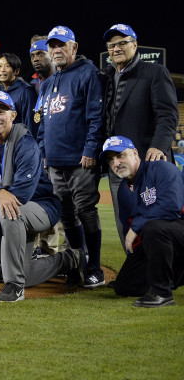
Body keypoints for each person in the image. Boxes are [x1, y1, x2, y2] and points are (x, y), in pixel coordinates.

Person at [0, 91, 86, 302]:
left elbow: (22, 192)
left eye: (1, 111)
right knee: (24, 270)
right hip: (12, 206)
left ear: (13, 115)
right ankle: (70, 259)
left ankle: (15, 287)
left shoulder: (26, 144)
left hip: (41, 206)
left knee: (8, 210)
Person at [37, 25, 105, 288]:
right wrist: (44, 152)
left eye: (61, 45)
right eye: (52, 46)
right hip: (55, 161)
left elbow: (96, 117)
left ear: (73, 47)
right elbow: (43, 123)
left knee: (86, 211)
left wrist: (90, 150)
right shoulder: (51, 80)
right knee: (66, 216)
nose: (56, 50)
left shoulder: (88, 74)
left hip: (80, 161)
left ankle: (95, 268)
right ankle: (78, 265)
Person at [101, 24, 179, 253]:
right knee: (124, 219)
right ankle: (134, 269)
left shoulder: (154, 72)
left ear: (135, 44)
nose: (116, 48)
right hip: (119, 163)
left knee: (156, 218)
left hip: (147, 161)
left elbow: (168, 114)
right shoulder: (109, 78)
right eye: (111, 45)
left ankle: (163, 272)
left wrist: (159, 145)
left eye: (122, 43)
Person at [103, 136, 184, 307]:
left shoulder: (162, 168)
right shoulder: (123, 192)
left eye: (120, 156)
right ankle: (175, 275)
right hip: (158, 241)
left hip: (178, 231)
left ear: (135, 153)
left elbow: (171, 206)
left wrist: (137, 226)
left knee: (153, 227)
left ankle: (162, 293)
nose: (116, 163)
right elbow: (128, 228)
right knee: (124, 286)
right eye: (111, 160)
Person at [28, 37, 66, 257]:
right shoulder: (37, 85)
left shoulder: (61, 82)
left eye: (41, 53)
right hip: (39, 152)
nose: (36, 59)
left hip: (58, 153)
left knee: (62, 202)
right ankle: (43, 247)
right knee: (41, 198)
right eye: (32, 55)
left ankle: (62, 252)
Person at [0, 53, 38, 137]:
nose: (2, 70)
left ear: (16, 71)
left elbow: (31, 124)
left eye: (7, 66)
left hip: (21, 144)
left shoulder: (26, 91)